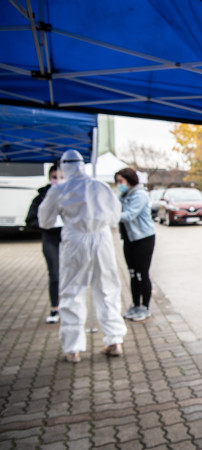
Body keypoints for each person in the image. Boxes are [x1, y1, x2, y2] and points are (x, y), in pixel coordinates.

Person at [38, 149, 128, 363]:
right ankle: (114, 340)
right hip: (102, 239)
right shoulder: (101, 186)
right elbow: (115, 217)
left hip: (75, 240)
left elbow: (45, 221)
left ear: (64, 166)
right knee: (108, 289)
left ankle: (72, 348)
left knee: (72, 291)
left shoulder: (59, 190)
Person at [115, 167, 156, 322]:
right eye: (117, 182)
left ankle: (145, 307)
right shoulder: (122, 196)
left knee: (142, 274)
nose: (119, 184)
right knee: (132, 274)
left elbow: (130, 215)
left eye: (121, 181)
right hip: (129, 239)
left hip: (143, 239)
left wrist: (109, 216)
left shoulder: (140, 195)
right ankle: (135, 304)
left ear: (130, 181)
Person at [25, 164, 64, 323]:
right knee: (54, 274)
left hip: (68, 239)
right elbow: (30, 221)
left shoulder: (71, 195)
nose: (57, 181)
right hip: (50, 239)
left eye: (61, 177)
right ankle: (55, 308)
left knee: (70, 274)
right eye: (54, 178)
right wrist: (46, 223)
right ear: (49, 179)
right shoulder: (41, 197)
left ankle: (69, 306)